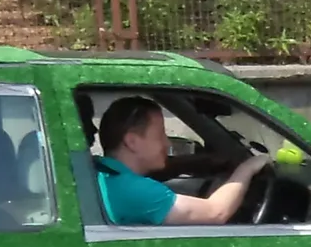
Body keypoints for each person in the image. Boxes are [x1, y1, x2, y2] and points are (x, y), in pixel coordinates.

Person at [93, 95, 271, 226]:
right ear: (132, 141)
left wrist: (202, 162)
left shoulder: (100, 170)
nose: (167, 142)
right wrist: (248, 168)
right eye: (160, 134)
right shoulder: (134, 190)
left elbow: (165, 169)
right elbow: (215, 212)